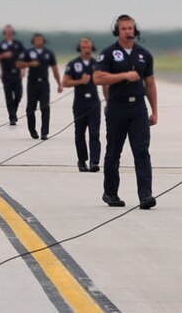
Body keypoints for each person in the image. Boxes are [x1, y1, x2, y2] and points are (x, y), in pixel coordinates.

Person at [93, 14, 157, 209]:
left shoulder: (144, 54)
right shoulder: (109, 53)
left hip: (138, 107)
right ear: (117, 31)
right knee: (113, 151)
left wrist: (154, 111)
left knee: (142, 151)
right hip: (117, 107)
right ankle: (110, 193)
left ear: (135, 30)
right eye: (124, 29)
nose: (128, 32)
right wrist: (123, 76)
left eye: (130, 28)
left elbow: (150, 83)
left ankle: (145, 195)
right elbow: (98, 77)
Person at [62, 37, 101, 171]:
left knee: (94, 133)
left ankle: (94, 161)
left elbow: (105, 80)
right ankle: (82, 160)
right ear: (80, 48)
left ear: (92, 48)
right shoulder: (73, 64)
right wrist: (80, 81)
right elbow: (65, 82)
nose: (86, 50)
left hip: (94, 102)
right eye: (83, 47)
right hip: (80, 103)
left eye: (88, 47)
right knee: (80, 133)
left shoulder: (97, 64)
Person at [16, 33, 62, 139]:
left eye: (40, 40)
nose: (38, 42)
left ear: (43, 41)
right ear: (34, 41)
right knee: (30, 108)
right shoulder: (28, 52)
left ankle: (44, 132)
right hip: (32, 83)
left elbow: (55, 69)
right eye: (36, 40)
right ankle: (32, 130)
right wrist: (29, 64)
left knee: (45, 107)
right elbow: (19, 64)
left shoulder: (49, 53)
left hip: (44, 83)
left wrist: (59, 84)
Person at [0, 25, 25, 125]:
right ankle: (12, 117)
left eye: (11, 32)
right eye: (7, 32)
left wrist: (24, 69)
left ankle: (13, 111)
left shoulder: (18, 44)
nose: (9, 33)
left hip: (17, 73)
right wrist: (3, 55)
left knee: (19, 95)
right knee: (8, 96)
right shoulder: (1, 45)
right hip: (6, 73)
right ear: (5, 33)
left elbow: (24, 57)